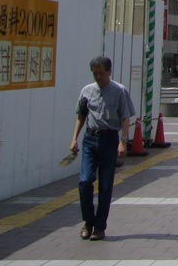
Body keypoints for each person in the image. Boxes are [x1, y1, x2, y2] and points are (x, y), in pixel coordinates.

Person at [70, 55, 135, 241]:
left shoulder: (119, 91)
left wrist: (123, 141)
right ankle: (88, 222)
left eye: (101, 73)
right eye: (95, 73)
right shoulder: (86, 91)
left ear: (109, 71)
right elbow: (81, 116)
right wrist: (74, 138)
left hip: (109, 139)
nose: (98, 77)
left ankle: (99, 227)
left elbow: (125, 117)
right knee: (84, 181)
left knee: (105, 186)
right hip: (90, 138)